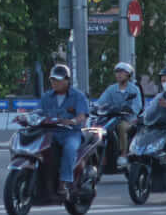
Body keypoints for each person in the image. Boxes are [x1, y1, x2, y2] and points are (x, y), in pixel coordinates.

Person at [36, 63, 88, 195]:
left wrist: (73, 121)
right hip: (50, 133)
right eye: (53, 79)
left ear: (67, 80)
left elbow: (82, 115)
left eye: (58, 79)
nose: (55, 82)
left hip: (71, 133)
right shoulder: (46, 97)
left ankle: (63, 182)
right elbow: (38, 113)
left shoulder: (78, 96)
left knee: (70, 148)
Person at [96, 61, 143, 165]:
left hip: (129, 120)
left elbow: (138, 105)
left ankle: (123, 154)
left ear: (128, 74)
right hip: (112, 119)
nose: (119, 74)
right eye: (117, 72)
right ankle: (100, 156)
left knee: (121, 127)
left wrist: (129, 109)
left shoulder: (134, 89)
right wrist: (94, 107)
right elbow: (100, 102)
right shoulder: (111, 89)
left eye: (122, 72)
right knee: (99, 128)